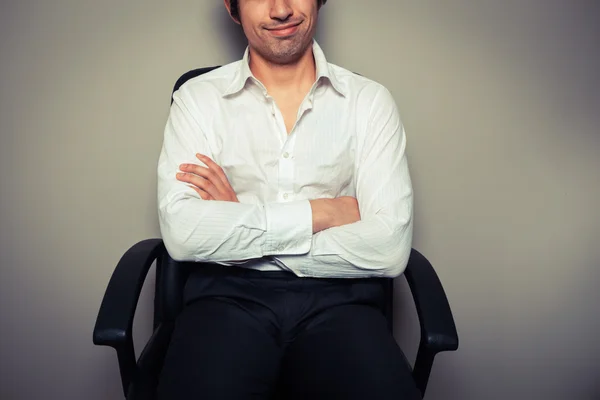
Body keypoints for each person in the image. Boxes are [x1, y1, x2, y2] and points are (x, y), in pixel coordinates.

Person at [156, 0, 418, 398]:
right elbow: (184, 234)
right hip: (225, 297)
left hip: (341, 301)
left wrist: (240, 225)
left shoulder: (369, 102)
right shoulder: (197, 100)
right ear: (232, 7)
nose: (281, 9)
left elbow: (390, 248)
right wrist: (324, 212)